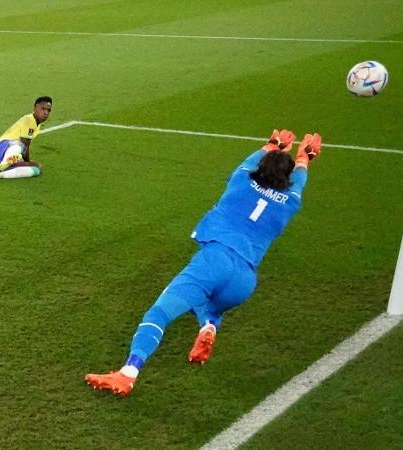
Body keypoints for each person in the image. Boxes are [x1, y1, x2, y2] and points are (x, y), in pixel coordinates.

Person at [85, 129, 322, 397]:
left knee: (159, 314)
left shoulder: (241, 180)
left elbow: (253, 159)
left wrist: (272, 145)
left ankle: (128, 373)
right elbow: (299, 181)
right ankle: (209, 326)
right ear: (287, 178)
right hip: (245, 279)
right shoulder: (290, 202)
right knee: (208, 303)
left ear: (260, 166)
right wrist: (306, 157)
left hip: (215, 260)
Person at [0, 96, 52, 181]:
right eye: (43, 109)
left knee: (36, 170)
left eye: (48, 110)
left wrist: (28, 163)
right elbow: (25, 144)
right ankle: (7, 161)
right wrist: (28, 162)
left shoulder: (37, 123)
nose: (46, 113)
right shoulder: (29, 120)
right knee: (20, 144)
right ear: (35, 108)